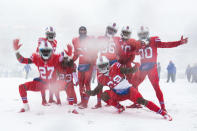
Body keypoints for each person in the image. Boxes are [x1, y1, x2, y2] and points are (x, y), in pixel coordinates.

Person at [86, 56, 172, 121]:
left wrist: (135, 68)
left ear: (108, 64)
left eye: (104, 65)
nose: (103, 68)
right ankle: (120, 107)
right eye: (101, 66)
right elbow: (96, 91)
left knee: (142, 101)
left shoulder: (116, 67)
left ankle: (162, 113)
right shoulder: (102, 78)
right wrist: (88, 92)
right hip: (117, 94)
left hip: (129, 91)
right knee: (104, 95)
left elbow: (128, 71)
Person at [127, 26, 188, 111]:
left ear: (147, 34)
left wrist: (179, 42)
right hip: (143, 68)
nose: (143, 36)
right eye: (141, 34)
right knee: (134, 84)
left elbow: (166, 45)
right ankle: (136, 103)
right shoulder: (138, 43)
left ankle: (163, 107)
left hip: (152, 67)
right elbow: (135, 52)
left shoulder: (153, 40)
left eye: (144, 34)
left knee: (156, 87)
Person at [13, 38, 66, 112]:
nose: (46, 53)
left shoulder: (56, 58)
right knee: (22, 87)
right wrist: (16, 51)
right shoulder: (36, 58)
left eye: (47, 51)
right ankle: (26, 106)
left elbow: (67, 64)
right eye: (43, 51)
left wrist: (68, 56)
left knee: (68, 85)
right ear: (40, 51)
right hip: (42, 83)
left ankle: (67, 103)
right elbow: (22, 60)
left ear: (51, 51)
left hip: (53, 84)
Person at [93, 22, 119, 109]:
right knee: (100, 83)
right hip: (103, 61)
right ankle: (99, 102)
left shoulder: (116, 39)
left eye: (113, 30)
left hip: (111, 61)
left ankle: (111, 100)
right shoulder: (102, 38)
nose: (111, 31)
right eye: (110, 29)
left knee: (113, 83)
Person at [72, 26, 97, 109]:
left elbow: (95, 53)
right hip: (81, 65)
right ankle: (82, 100)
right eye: (81, 30)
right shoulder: (76, 41)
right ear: (79, 31)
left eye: (84, 30)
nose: (82, 32)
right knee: (81, 84)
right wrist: (70, 60)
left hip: (89, 64)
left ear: (86, 31)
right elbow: (76, 54)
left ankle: (85, 102)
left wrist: (93, 64)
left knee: (87, 83)